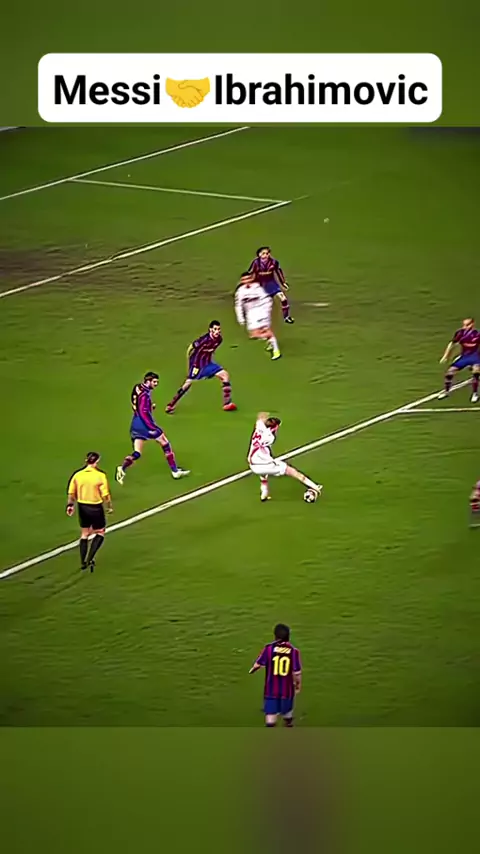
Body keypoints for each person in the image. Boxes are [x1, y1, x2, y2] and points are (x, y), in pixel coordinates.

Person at [116, 372, 189, 485]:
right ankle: (175, 471)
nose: (156, 384)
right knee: (165, 443)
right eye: (154, 382)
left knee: (137, 452)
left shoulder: (137, 387)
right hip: (145, 424)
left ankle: (122, 468)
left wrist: (149, 407)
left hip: (135, 423)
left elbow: (136, 403)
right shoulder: (145, 395)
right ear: (148, 381)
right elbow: (143, 412)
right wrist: (151, 427)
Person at [165, 320, 237, 414]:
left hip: (208, 364)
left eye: (219, 329)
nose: (217, 331)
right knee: (188, 383)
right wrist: (189, 361)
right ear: (210, 329)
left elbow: (211, 350)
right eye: (215, 329)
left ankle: (227, 403)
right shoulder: (203, 340)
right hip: (197, 365)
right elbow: (191, 347)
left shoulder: (219, 340)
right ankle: (171, 405)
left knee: (225, 375)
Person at [248, 412, 322, 502]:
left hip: (253, 464)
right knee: (293, 472)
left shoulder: (259, 427)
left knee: (263, 473)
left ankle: (264, 493)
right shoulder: (270, 437)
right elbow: (269, 431)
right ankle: (315, 487)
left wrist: (264, 417)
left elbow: (260, 417)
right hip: (267, 465)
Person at [66, 452, 112, 572]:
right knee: (100, 532)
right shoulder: (100, 476)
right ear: (97, 461)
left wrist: (70, 505)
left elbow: (71, 492)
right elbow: (105, 494)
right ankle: (90, 558)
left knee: (85, 533)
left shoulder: (78, 475)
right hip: (95, 507)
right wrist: (109, 506)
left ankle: (82, 562)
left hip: (82, 506)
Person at [249, 624, 302, 727]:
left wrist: (252, 670)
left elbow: (257, 664)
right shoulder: (293, 651)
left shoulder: (269, 649)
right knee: (287, 713)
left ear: (275, 636)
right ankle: (288, 726)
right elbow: (297, 673)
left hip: (271, 690)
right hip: (287, 690)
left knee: (270, 718)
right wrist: (298, 685)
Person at [234, 272, 281, 360]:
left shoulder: (257, 288)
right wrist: (240, 317)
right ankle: (271, 341)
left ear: (251, 279)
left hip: (261, 311)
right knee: (253, 334)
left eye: (248, 279)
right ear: (241, 281)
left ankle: (276, 350)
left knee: (264, 330)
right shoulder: (240, 291)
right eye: (244, 279)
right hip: (251, 314)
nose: (247, 281)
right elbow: (238, 305)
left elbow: (267, 299)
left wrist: (266, 311)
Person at [248, 246, 294, 324]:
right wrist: (249, 284)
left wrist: (283, 283)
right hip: (261, 284)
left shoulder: (274, 262)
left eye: (267, 253)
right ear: (259, 254)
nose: (266, 255)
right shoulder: (256, 262)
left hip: (272, 283)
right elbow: (250, 273)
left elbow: (279, 272)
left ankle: (286, 317)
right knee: (261, 303)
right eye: (263, 253)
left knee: (283, 299)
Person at [439, 317, 480, 403]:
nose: (464, 327)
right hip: (464, 357)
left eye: (467, 325)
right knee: (449, 373)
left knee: (476, 372)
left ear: (472, 325)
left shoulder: (477, 334)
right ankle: (446, 391)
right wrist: (445, 356)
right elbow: (452, 344)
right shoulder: (460, 333)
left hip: (475, 356)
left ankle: (475, 393)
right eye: (464, 325)